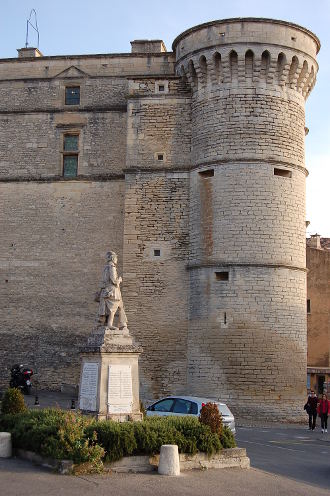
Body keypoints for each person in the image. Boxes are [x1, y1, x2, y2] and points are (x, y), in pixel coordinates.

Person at [96, 251, 128, 330]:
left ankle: (122, 324)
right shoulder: (112, 268)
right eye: (116, 258)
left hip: (106, 290)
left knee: (117, 307)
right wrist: (120, 280)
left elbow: (103, 281)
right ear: (113, 258)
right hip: (112, 291)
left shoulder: (105, 268)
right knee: (112, 309)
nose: (117, 259)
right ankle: (110, 324)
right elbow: (114, 281)